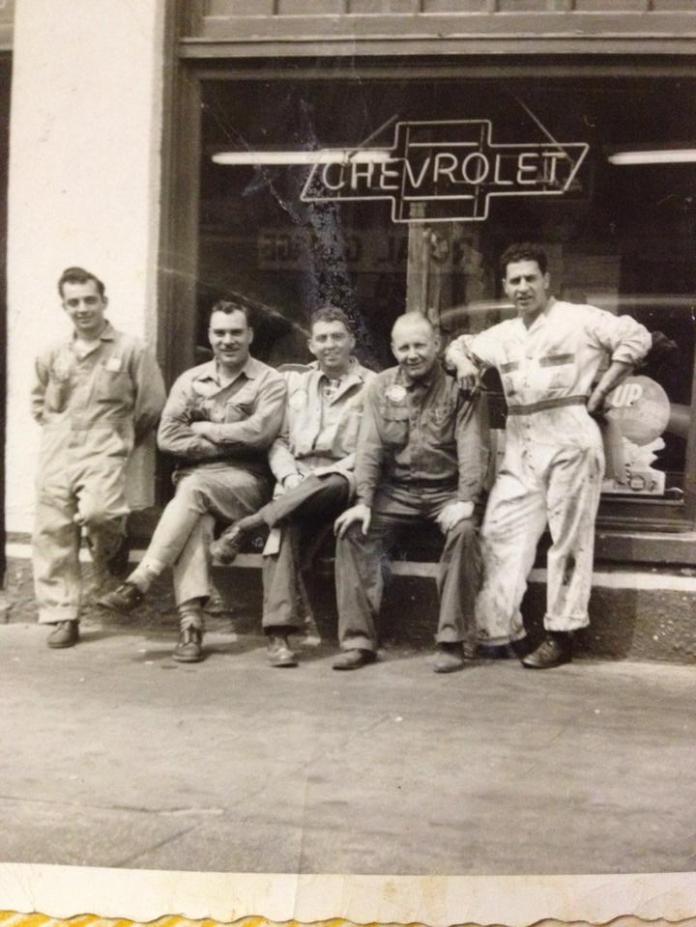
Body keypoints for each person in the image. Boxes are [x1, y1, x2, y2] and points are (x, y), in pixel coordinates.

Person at [446, 242, 652, 669]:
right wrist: (465, 364)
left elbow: (635, 336)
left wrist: (603, 388)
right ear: (505, 285)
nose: (523, 287)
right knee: (501, 533)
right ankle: (501, 630)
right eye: (514, 280)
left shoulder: (578, 319)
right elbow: (459, 347)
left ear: (546, 280)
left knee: (569, 541)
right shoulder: (503, 333)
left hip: (571, 438)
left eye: (530, 278)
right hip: (521, 443)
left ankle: (562, 632)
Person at [98, 299, 286, 663]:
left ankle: (141, 580)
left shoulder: (269, 380)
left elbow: (261, 433)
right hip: (197, 481)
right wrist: (221, 443)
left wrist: (206, 428)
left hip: (247, 482)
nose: (227, 340)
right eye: (219, 332)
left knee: (192, 491)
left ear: (250, 335)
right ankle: (191, 628)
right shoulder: (191, 380)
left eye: (235, 332)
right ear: (209, 335)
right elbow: (167, 436)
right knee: (194, 511)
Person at [209, 305, 375, 668]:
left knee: (326, 494)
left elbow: (369, 450)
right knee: (282, 528)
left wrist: (321, 477)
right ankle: (279, 635)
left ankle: (249, 524)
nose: (329, 345)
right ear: (310, 344)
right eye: (322, 338)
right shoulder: (292, 382)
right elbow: (277, 439)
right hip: (297, 478)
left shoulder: (372, 387)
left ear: (352, 342)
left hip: (342, 478)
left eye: (337, 337)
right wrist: (288, 477)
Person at [332, 312, 485, 673]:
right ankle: (358, 642)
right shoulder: (380, 387)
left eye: (419, 345)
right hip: (395, 493)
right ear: (393, 349)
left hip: (445, 492)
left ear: (436, 345)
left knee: (464, 533)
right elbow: (368, 448)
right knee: (353, 531)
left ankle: (451, 640)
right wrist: (364, 502)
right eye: (404, 347)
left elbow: (472, 447)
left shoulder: (459, 386)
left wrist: (466, 500)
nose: (412, 354)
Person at [31, 266, 166, 648]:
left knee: (100, 513)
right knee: (53, 531)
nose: (82, 308)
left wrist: (122, 438)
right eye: (73, 302)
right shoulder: (52, 353)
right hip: (58, 450)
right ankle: (63, 615)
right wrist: (58, 431)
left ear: (103, 302)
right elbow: (39, 401)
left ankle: (114, 543)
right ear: (64, 306)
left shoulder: (130, 349)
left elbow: (152, 403)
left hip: (105, 447)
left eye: (90, 300)